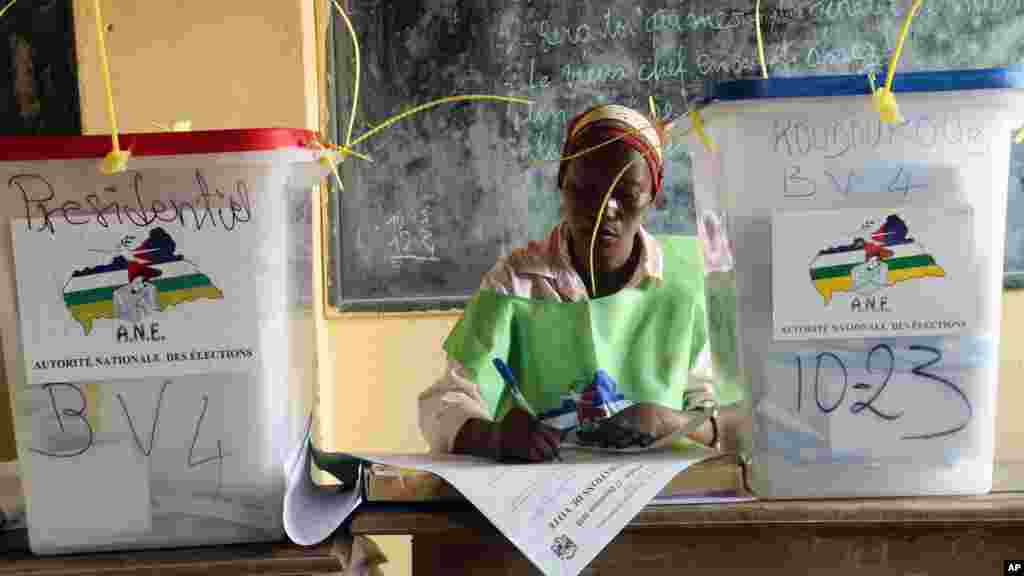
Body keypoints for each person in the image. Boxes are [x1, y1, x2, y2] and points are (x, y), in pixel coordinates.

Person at [418, 103, 736, 462]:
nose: (606, 209)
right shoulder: (515, 284)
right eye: (588, 190)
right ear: (562, 185)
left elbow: (731, 417)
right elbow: (443, 405)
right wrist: (493, 437)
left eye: (627, 193)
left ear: (653, 197)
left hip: (663, 504)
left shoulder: (691, 280)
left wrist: (669, 421)